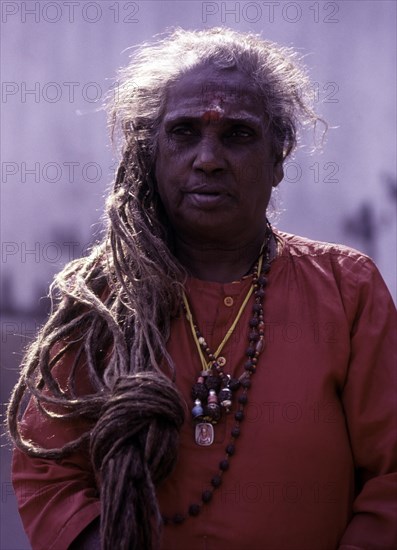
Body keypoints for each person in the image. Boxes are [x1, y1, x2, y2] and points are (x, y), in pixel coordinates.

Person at [7, 27, 396, 550]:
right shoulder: (101, 301)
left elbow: (390, 477)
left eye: (237, 134)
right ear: (153, 152)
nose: (208, 158)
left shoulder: (348, 289)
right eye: (184, 132)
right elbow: (48, 475)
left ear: (279, 157)